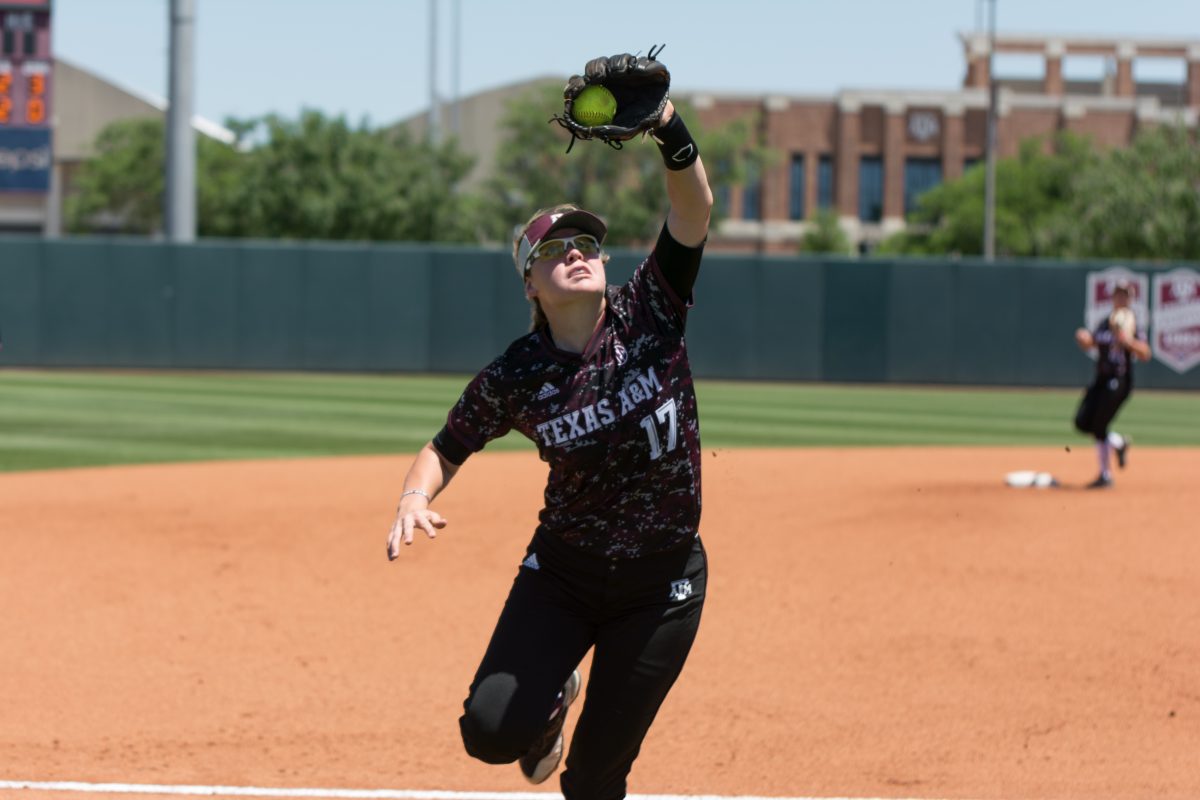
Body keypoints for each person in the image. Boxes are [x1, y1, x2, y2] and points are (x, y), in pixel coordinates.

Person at [385, 88, 712, 800]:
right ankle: (550, 701)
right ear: (531, 283)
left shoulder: (649, 310)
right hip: (563, 573)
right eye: (556, 249)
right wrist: (415, 494)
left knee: (595, 780)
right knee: (490, 732)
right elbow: (448, 444)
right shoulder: (518, 373)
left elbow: (692, 212)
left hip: (661, 586)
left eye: (588, 243)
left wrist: (666, 128)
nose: (578, 254)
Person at [1072, 279, 1151, 488]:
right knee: (1081, 422)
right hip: (1101, 379)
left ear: (1130, 299)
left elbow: (1145, 352)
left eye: (1125, 294)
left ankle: (1105, 475)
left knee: (1099, 425)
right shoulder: (1105, 322)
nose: (1121, 298)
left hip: (1120, 381)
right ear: (1113, 297)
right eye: (1118, 294)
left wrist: (1128, 341)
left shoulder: (1131, 323)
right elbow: (1092, 342)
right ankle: (1118, 443)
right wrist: (1084, 339)